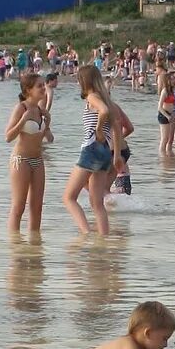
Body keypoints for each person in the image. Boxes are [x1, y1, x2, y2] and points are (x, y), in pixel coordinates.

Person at [62, 64, 121, 235]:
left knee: (69, 198)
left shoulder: (92, 97)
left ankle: (86, 234)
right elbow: (117, 128)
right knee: (97, 204)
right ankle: (103, 240)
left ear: (84, 81)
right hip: (104, 151)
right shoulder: (107, 99)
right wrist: (116, 155)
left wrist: (98, 130)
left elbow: (102, 112)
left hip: (92, 148)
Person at [5, 73, 51, 232]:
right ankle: (15, 246)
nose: (43, 88)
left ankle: (35, 246)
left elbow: (49, 139)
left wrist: (48, 122)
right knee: (19, 206)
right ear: (28, 90)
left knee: (37, 207)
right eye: (39, 86)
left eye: (43, 85)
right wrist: (23, 120)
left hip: (38, 160)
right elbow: (8, 137)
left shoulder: (40, 110)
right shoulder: (21, 108)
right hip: (21, 160)